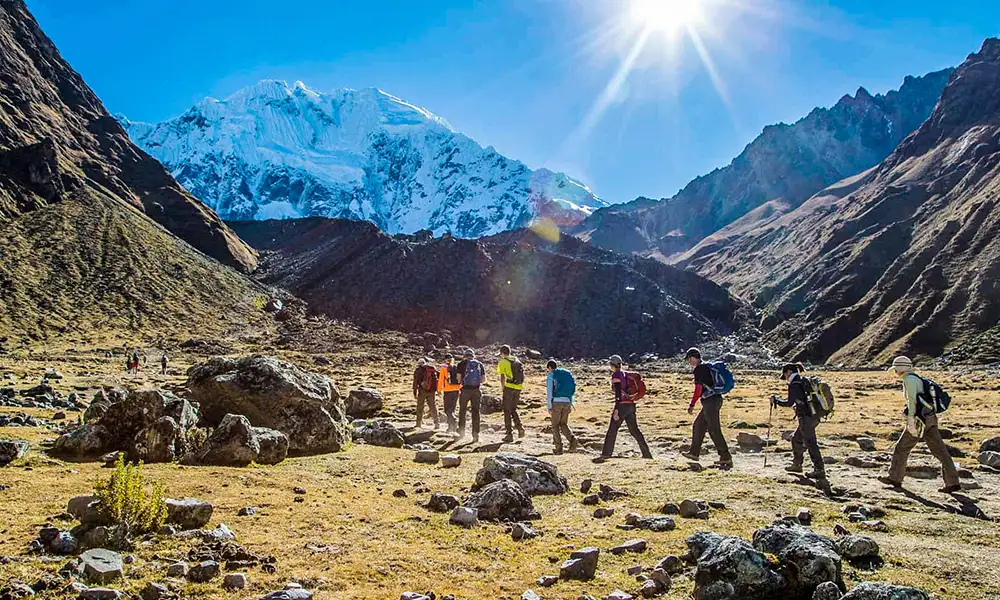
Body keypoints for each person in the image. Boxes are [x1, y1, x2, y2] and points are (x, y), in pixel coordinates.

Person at [879, 356, 961, 494]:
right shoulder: (916, 378)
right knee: (940, 451)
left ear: (901, 368)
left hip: (919, 419)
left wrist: (910, 419)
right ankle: (953, 482)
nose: (895, 372)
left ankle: (895, 478)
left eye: (896, 369)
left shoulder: (908, 380)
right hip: (930, 417)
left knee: (902, 447)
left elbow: (912, 401)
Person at [772, 363, 826, 480]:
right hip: (813, 416)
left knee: (811, 444)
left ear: (789, 372)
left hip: (805, 418)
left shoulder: (795, 384)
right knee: (796, 439)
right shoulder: (802, 381)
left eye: (785, 374)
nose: (785, 377)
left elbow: (789, 403)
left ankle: (819, 469)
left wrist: (776, 400)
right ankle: (797, 465)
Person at [682, 348, 733, 468]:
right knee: (699, 425)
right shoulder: (706, 367)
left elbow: (698, 389)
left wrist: (692, 404)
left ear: (693, 357)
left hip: (710, 401)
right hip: (714, 400)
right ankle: (694, 453)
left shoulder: (699, 369)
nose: (689, 362)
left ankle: (725, 456)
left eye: (689, 359)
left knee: (714, 429)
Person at [597, 355, 653, 461]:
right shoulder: (625, 374)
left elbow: (618, 393)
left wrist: (617, 410)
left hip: (622, 405)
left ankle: (606, 454)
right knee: (634, 430)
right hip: (631, 405)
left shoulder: (616, 375)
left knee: (612, 430)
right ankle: (647, 454)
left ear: (612, 365)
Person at [546, 360, 578, 455]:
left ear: (550, 368)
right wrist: (571, 403)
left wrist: (549, 406)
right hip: (567, 402)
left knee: (555, 425)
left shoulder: (551, 375)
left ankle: (559, 448)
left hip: (556, 402)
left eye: (548, 369)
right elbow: (572, 391)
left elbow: (549, 392)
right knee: (563, 424)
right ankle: (572, 440)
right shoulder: (567, 374)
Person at [497, 345, 526, 442]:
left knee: (506, 410)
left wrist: (503, 387)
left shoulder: (503, 362)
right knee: (513, 409)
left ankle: (509, 434)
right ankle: (520, 428)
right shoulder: (517, 360)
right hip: (518, 388)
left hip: (509, 387)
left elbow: (502, 376)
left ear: (502, 353)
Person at [456, 348, 486, 442]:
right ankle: (476, 435)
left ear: (465, 355)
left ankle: (461, 432)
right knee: (476, 412)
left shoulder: (461, 364)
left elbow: (458, 379)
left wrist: (462, 382)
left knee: (462, 411)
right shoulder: (479, 364)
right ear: (473, 355)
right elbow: (483, 380)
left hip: (465, 390)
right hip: (476, 391)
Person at [412, 358, 440, 429]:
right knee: (432, 407)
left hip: (422, 391)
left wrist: (415, 393)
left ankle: (418, 424)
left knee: (420, 407)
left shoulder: (418, 370)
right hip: (432, 391)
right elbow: (438, 377)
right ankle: (437, 423)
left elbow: (415, 382)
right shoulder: (432, 369)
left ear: (418, 364)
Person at [438, 354, 462, 434]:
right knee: (452, 409)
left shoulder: (444, 368)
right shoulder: (457, 367)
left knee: (447, 410)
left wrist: (439, 390)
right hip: (456, 390)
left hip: (447, 391)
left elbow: (441, 380)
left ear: (445, 360)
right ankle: (451, 428)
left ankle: (454, 422)